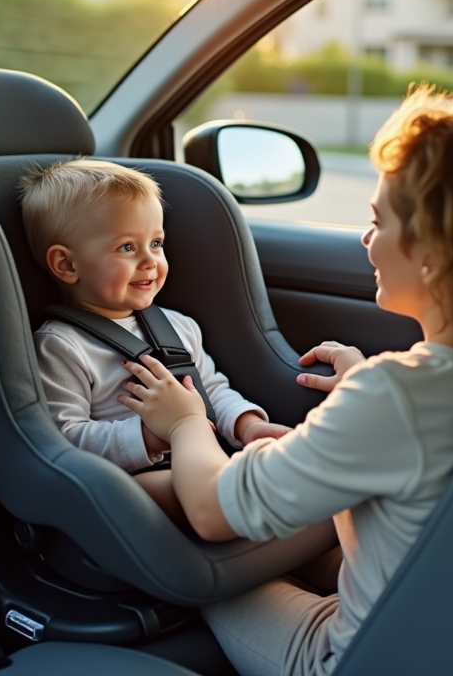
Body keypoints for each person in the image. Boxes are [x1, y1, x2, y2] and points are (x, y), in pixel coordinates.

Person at [117, 82, 453, 676]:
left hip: (351, 660)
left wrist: (188, 423)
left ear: (434, 252)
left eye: (377, 221)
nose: (367, 240)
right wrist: (364, 392)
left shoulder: (393, 397)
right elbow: (423, 433)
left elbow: (214, 513)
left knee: (207, 574)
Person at [19, 159, 292, 525]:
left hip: (201, 463)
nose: (151, 260)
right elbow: (65, 439)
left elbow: (210, 391)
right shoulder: (61, 347)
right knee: (237, 488)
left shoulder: (178, 327)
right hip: (128, 484)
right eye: (127, 248)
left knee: (276, 470)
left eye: (157, 243)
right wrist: (148, 436)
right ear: (67, 265)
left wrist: (247, 426)